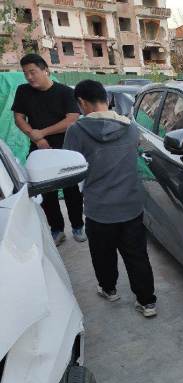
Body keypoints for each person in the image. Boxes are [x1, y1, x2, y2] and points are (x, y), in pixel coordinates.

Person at [63, 79, 157, 318]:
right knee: (137, 255)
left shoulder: (76, 131)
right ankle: (147, 302)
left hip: (99, 208)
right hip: (131, 205)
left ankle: (109, 289)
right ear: (106, 99)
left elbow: (70, 169)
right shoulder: (131, 128)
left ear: (82, 102)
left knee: (102, 254)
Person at [12, 53, 85, 246]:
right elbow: (19, 118)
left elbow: (72, 119)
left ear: (46, 70)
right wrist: (35, 138)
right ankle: (57, 229)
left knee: (71, 190)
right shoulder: (23, 91)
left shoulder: (64, 92)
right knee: (46, 192)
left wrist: (42, 133)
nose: (29, 77)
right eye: (25, 73)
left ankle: (78, 226)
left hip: (65, 147)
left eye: (32, 72)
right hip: (38, 149)